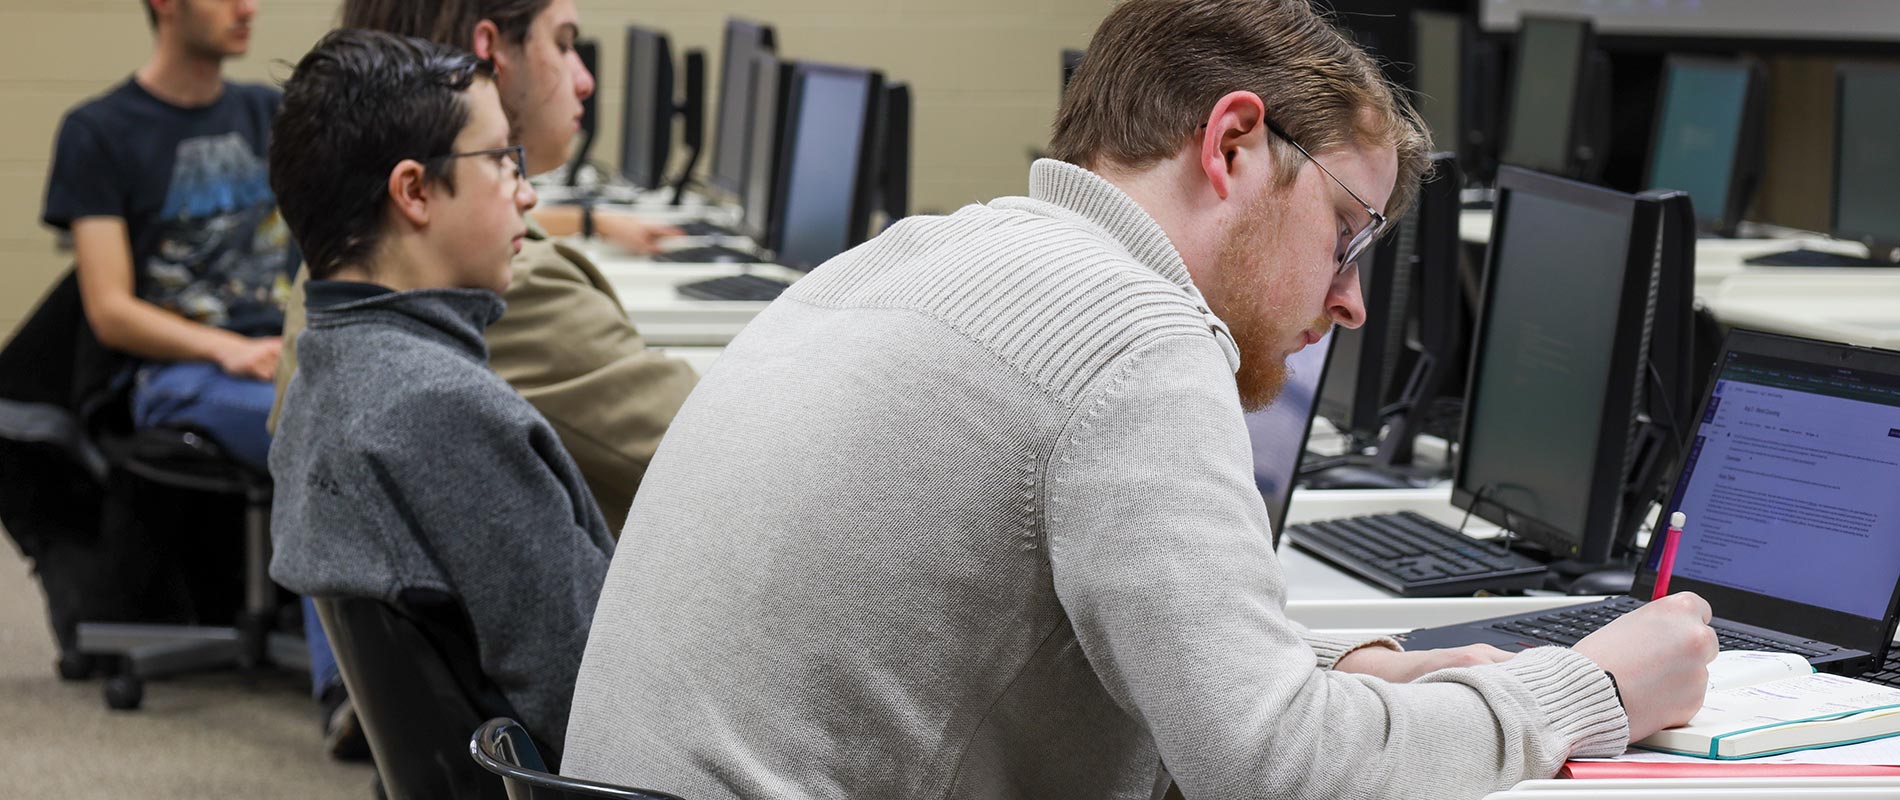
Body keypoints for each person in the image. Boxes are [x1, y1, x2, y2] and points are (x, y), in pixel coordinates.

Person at [559, 0, 1720, 796]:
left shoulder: (908, 256)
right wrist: (1591, 687)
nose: (1352, 300)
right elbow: (1276, 774)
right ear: (1231, 144)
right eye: (1348, 233)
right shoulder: (1132, 331)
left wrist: (1325, 675)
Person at [266, 27, 615, 752]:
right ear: (415, 190)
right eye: (500, 160)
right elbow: (595, 700)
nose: (526, 192)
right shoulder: (442, 413)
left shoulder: (328, 374)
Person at [41, 0, 359, 758]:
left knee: (360, 414)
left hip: (278, 358)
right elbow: (110, 309)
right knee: (314, 425)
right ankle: (349, 691)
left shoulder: (266, 113)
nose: (248, 6)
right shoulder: (98, 131)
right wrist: (223, 350)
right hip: (177, 374)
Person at [269, 0, 698, 532]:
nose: (584, 81)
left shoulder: (364, 238)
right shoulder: (479, 282)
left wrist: (590, 220)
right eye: (563, 44)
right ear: (490, 49)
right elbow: (718, 452)